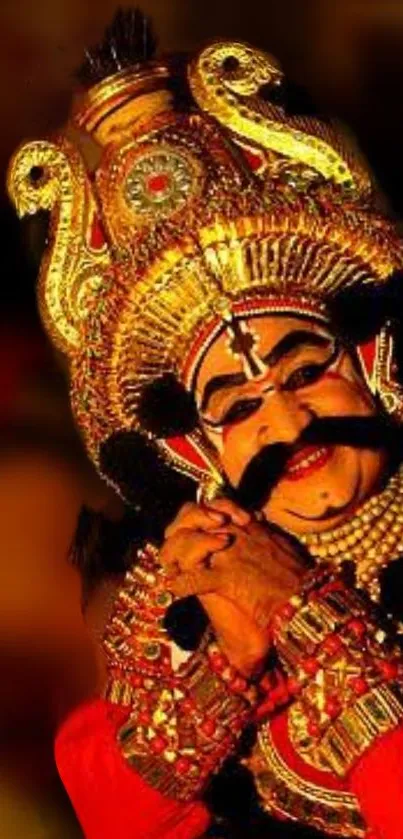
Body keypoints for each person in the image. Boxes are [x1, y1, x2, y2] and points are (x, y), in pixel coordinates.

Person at [8, 8, 403, 838]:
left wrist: (305, 612)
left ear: (371, 364)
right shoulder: (177, 590)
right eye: (240, 405)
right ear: (195, 446)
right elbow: (115, 814)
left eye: (305, 372)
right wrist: (225, 661)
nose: (287, 417)